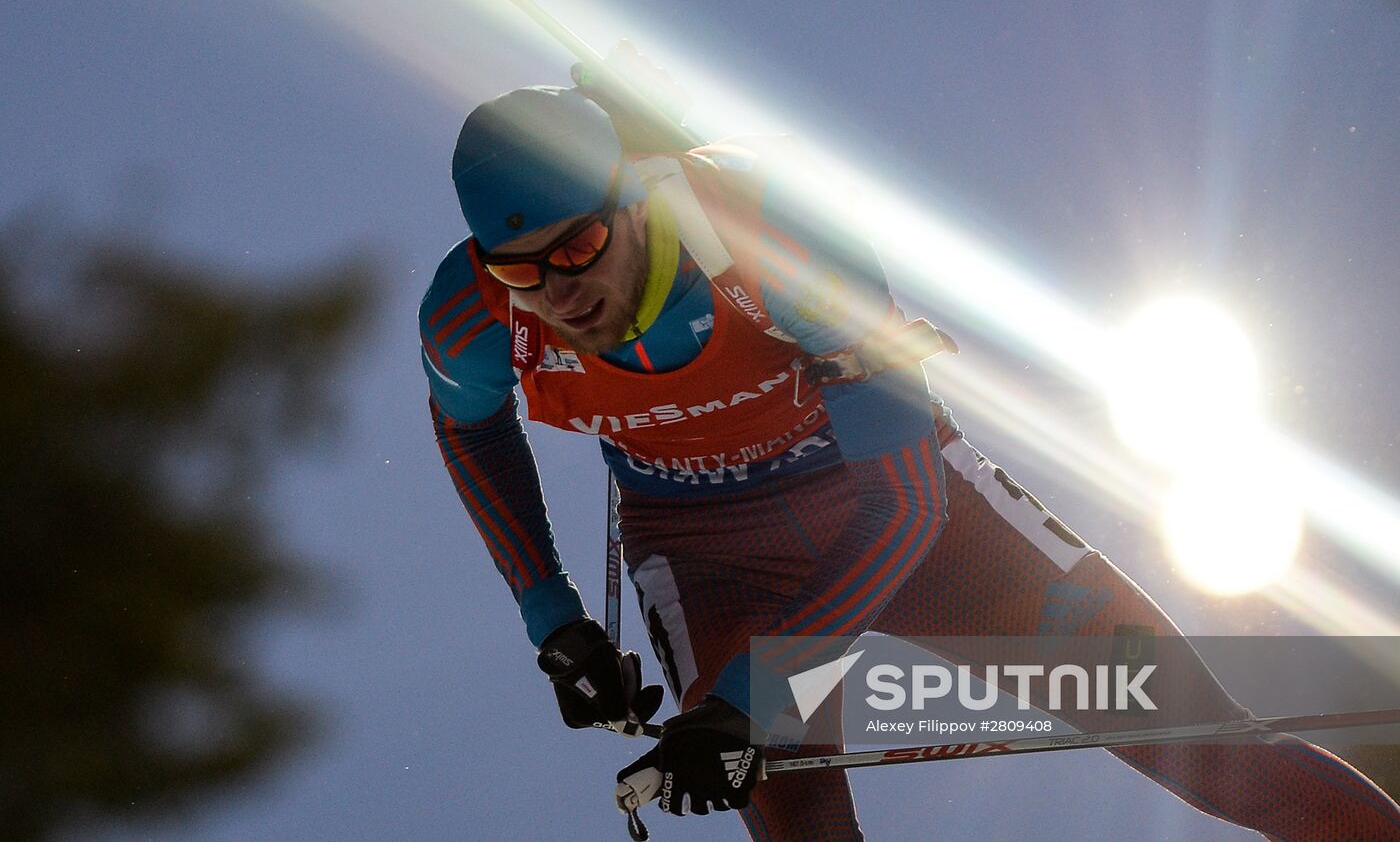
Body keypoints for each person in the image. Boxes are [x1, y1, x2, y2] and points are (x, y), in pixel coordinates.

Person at [419, 80, 1400, 840]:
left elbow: (903, 511)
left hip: (911, 515)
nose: (556, 289)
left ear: (632, 201)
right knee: (796, 824)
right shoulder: (467, 313)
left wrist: (749, 700)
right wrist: (554, 621)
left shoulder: (773, 236)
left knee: (1207, 749)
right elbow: (468, 427)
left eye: (579, 245)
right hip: (707, 553)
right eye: (519, 268)